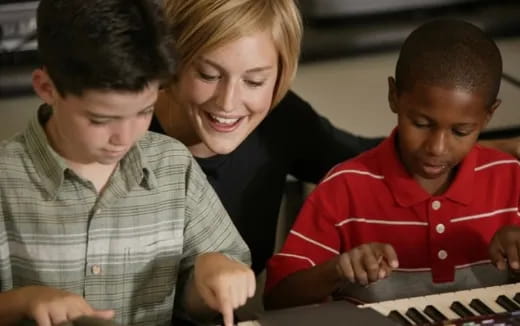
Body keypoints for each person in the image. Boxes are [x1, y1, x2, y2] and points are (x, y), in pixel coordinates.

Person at [151, 0, 520, 277]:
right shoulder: (121, 129)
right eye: (208, 74)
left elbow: (363, 158)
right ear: (172, 60)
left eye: (255, 81)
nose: (229, 102)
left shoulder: (280, 118)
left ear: (281, 76)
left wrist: (485, 153)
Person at [0, 1, 254, 326]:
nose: (124, 137)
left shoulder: (173, 166)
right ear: (47, 88)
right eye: (100, 119)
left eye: (144, 112)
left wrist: (212, 275)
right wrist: (24, 302)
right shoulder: (7, 178)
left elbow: (199, 304)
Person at [264, 19, 520, 310]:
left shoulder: (512, 179)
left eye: (460, 132)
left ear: (488, 116)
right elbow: (277, 298)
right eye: (421, 123)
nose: (436, 148)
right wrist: (336, 269)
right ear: (394, 96)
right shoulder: (345, 186)